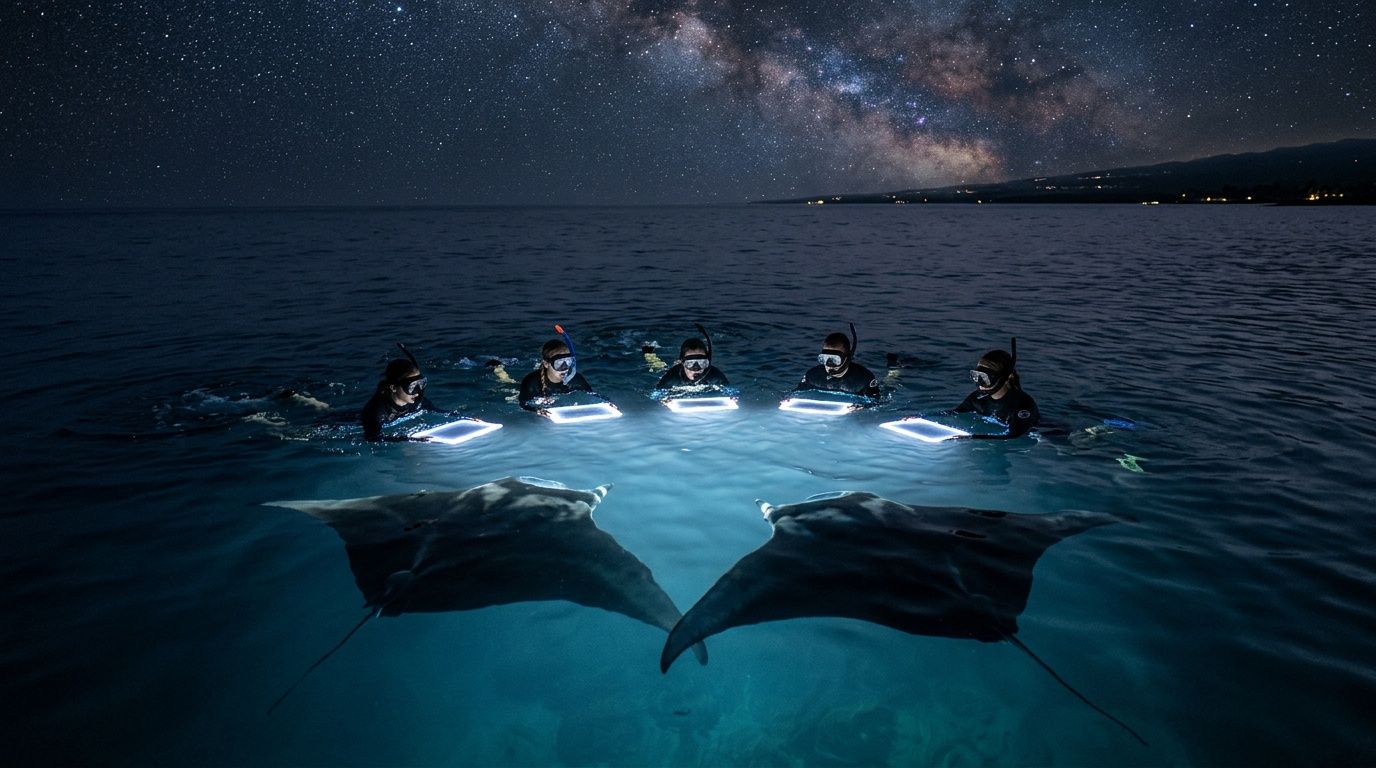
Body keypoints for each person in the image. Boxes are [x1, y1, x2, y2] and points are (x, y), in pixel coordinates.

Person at [952, 341, 1040, 439]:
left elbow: (1013, 436)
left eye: (986, 378)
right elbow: (954, 413)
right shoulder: (977, 399)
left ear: (1007, 378)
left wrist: (971, 438)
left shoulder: (1023, 405)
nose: (980, 383)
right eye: (977, 376)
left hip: (1039, 435)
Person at [360, 344, 445, 441]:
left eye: (420, 384)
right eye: (412, 386)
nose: (417, 392)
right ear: (394, 387)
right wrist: (410, 439)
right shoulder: (376, 412)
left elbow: (438, 412)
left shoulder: (418, 401)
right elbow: (372, 438)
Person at [792, 325, 880, 398]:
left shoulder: (864, 379)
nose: (829, 364)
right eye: (825, 358)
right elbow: (796, 394)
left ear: (847, 358)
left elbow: (877, 402)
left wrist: (859, 408)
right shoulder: (812, 376)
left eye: (835, 359)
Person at [519, 337, 596, 411]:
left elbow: (593, 396)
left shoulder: (576, 379)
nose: (565, 367)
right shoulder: (531, 383)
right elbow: (523, 404)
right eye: (559, 363)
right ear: (546, 364)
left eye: (568, 361)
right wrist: (537, 409)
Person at [657, 324, 729, 389]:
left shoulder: (715, 375)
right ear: (682, 362)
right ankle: (649, 352)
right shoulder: (671, 378)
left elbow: (730, 391)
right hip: (673, 369)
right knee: (658, 367)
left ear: (707, 362)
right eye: (690, 363)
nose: (696, 368)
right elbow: (656, 394)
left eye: (702, 362)